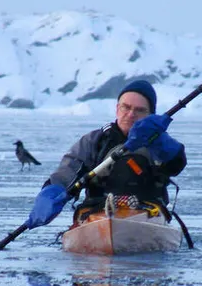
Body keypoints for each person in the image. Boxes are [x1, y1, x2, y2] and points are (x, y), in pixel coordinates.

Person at [24, 79, 187, 229]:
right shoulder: (94, 141)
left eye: (140, 110)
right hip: (96, 212)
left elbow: (176, 163)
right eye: (126, 107)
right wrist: (52, 191)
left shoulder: (158, 142)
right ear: (117, 108)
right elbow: (66, 173)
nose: (131, 114)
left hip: (148, 213)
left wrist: (158, 140)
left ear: (151, 115)